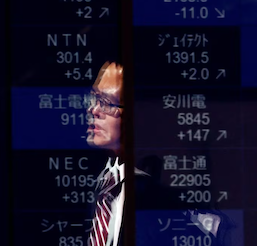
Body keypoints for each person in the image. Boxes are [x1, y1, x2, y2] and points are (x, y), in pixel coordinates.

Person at [85, 61, 235, 246]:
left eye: (106, 102)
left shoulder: (162, 200)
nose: (94, 110)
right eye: (93, 99)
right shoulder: (101, 186)